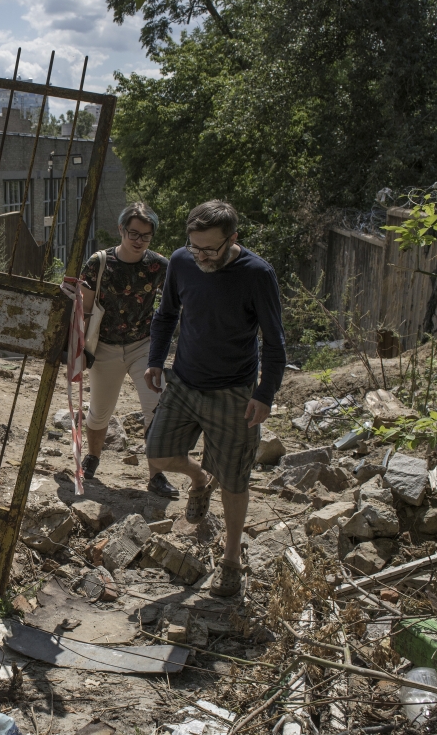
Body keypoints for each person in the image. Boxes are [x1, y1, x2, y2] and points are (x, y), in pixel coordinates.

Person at [144, 200, 286, 597]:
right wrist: (156, 360)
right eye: (195, 247)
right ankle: (199, 478)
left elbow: (275, 343)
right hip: (185, 382)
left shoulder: (257, 274)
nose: (202, 257)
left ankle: (231, 560)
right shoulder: (181, 262)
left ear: (233, 239)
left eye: (211, 249)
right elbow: (166, 314)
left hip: (234, 392)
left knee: (236, 480)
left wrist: (265, 394)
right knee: (157, 454)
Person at [79, 203, 177, 498]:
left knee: (156, 408)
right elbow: (83, 307)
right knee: (100, 412)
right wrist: (79, 348)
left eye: (145, 236)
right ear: (121, 230)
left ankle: (157, 475)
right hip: (104, 346)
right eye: (133, 233)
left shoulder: (161, 266)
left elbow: (176, 302)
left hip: (143, 346)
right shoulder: (99, 262)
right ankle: (92, 457)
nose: (138, 240)